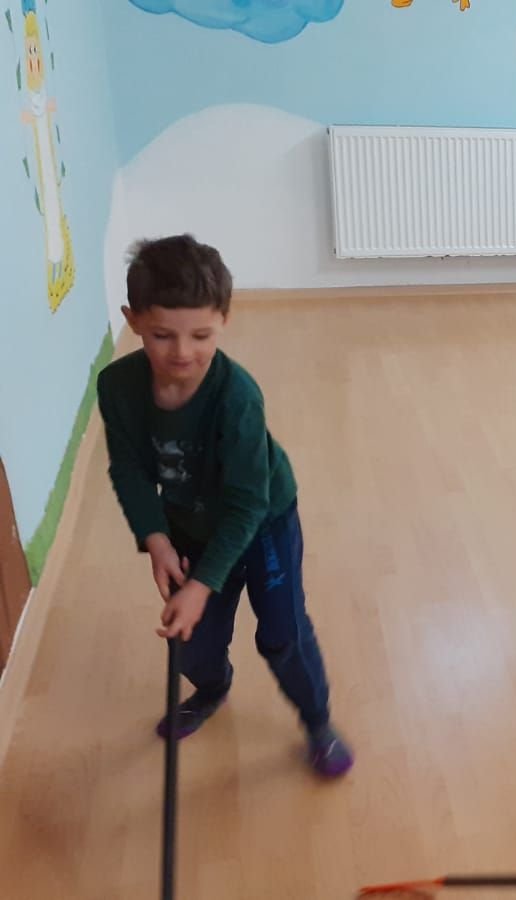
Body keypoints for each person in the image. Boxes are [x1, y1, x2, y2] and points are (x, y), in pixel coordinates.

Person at [98, 234, 353, 777]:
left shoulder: (237, 397)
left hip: (261, 521)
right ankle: (213, 689)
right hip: (188, 524)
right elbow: (129, 469)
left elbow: (246, 503)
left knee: (283, 634)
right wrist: (156, 540)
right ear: (132, 320)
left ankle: (317, 721)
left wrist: (201, 585)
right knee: (193, 641)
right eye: (162, 335)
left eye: (201, 335)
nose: (181, 352)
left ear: (224, 321)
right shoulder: (117, 386)